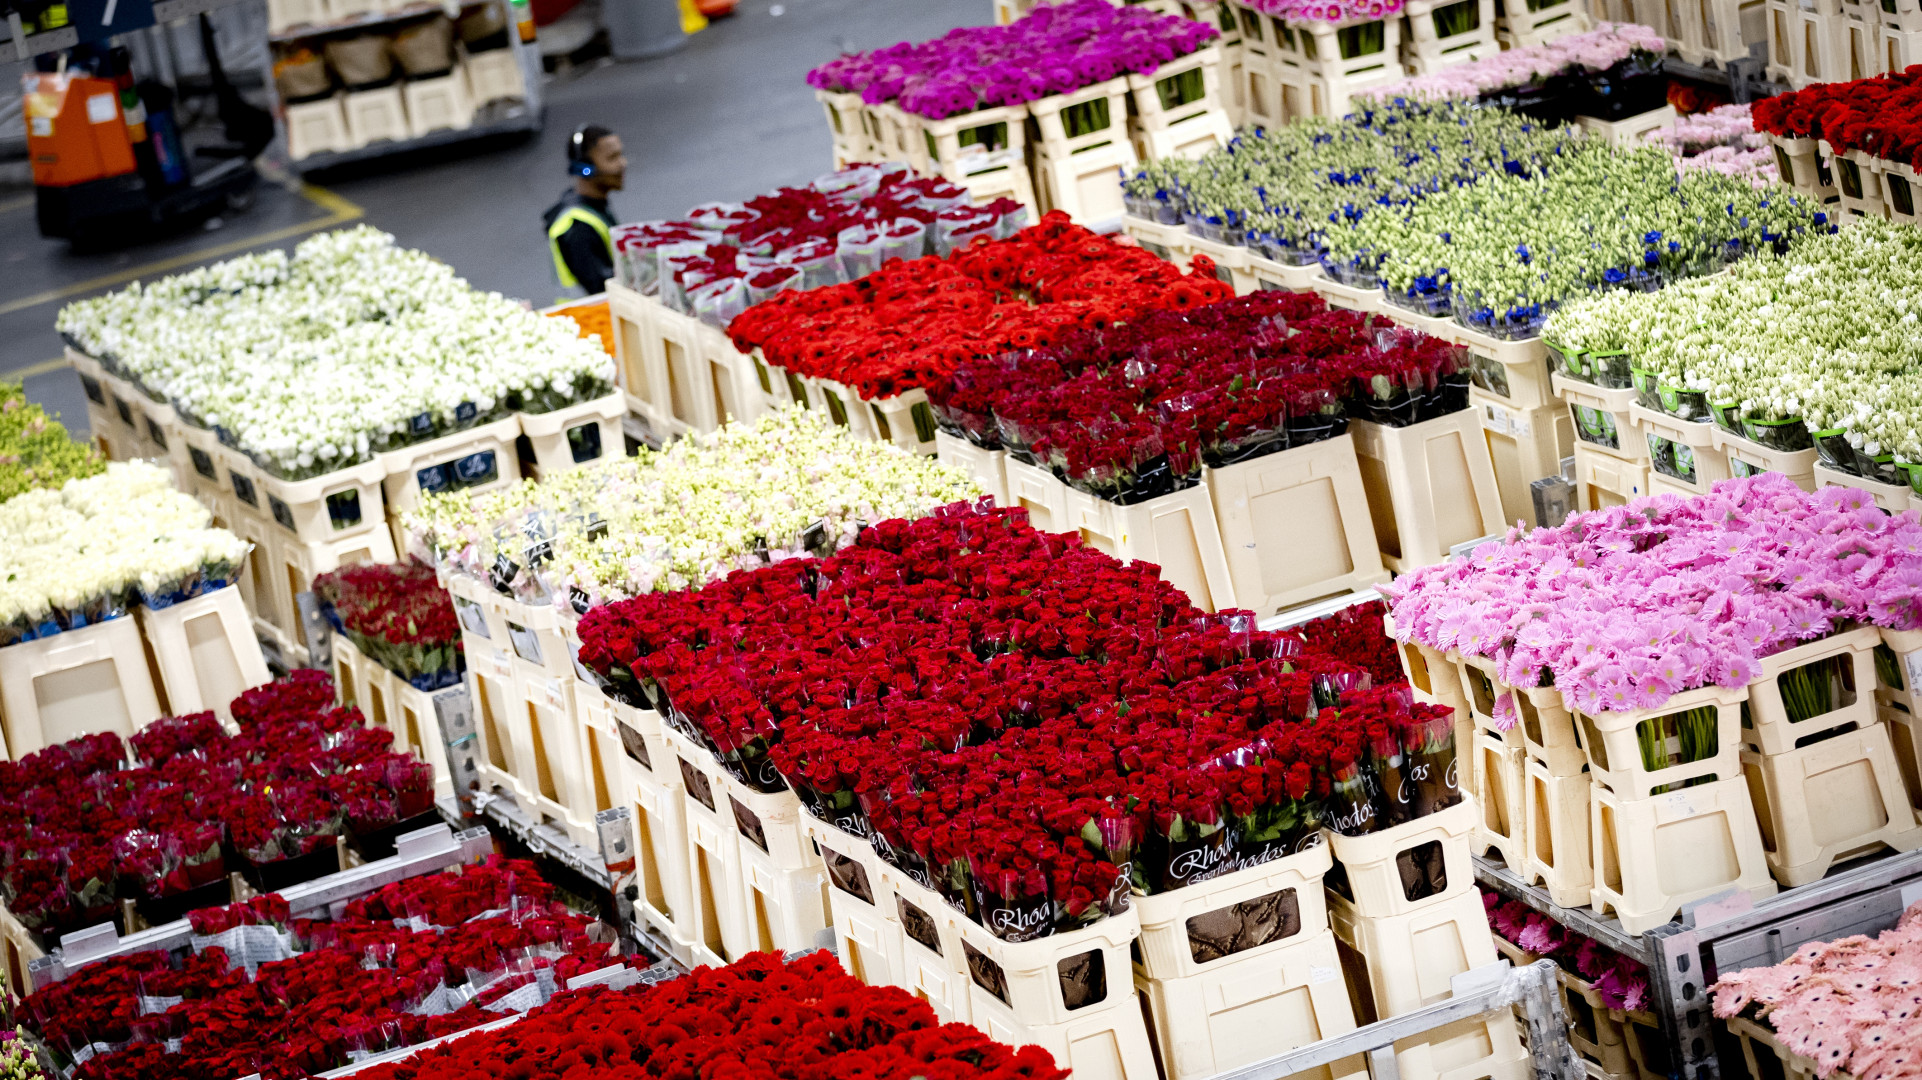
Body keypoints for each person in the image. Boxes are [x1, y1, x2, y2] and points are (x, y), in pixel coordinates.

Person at [543, 125, 626, 295]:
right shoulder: (578, 227)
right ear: (585, 170)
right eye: (612, 158)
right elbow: (601, 288)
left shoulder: (594, 208)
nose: (622, 163)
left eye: (620, 155)